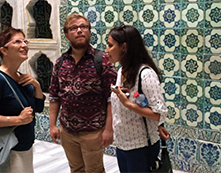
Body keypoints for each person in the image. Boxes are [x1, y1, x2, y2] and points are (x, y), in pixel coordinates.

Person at [49, 13, 117, 173]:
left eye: (83, 27)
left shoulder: (102, 60)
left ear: (89, 32)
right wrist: (53, 125)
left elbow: (112, 98)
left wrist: (109, 129)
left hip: (93, 132)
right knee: (76, 169)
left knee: (95, 170)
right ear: (66, 35)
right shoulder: (60, 63)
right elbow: (54, 95)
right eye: (74, 28)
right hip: (67, 131)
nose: (79, 30)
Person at [0, 27, 45, 173]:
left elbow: (37, 109)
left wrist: (36, 85)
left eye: (25, 41)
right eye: (17, 41)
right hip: (8, 149)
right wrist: (18, 120)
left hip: (25, 146)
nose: (24, 45)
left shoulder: (21, 77)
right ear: (4, 50)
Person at [105, 24, 168, 173]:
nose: (106, 50)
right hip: (122, 144)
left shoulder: (145, 75)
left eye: (110, 45)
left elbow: (159, 113)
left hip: (141, 146)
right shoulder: (121, 71)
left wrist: (128, 104)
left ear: (124, 47)